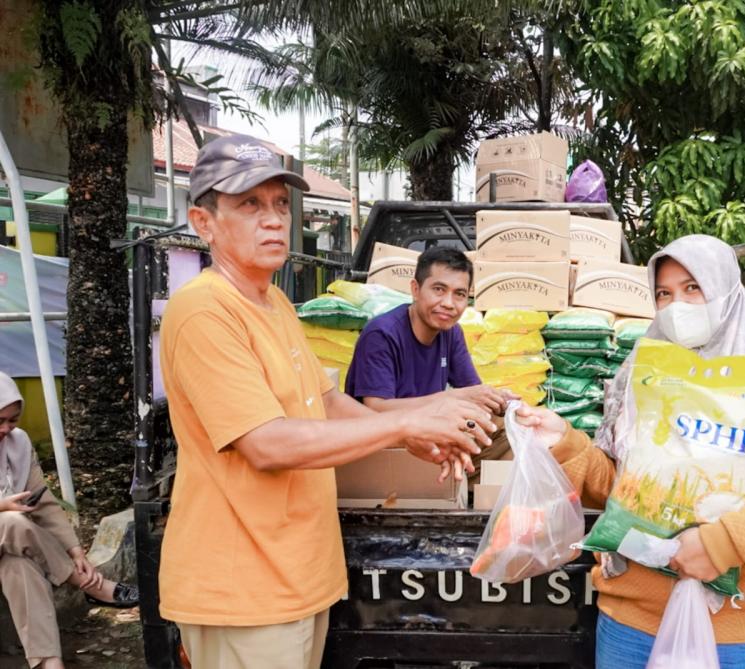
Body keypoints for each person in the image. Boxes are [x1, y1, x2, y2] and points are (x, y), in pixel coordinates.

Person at [158, 134, 493, 669]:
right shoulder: (203, 312)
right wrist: (404, 429)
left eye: (279, 205)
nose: (273, 220)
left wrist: (414, 444)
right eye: (249, 205)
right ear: (204, 222)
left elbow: (330, 405)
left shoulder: (274, 305)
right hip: (244, 589)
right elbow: (264, 443)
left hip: (299, 575)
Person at [516, 234, 745, 669]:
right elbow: (621, 488)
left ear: (726, 290)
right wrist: (566, 442)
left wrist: (720, 544)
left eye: (692, 287)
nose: (676, 305)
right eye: (664, 293)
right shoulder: (642, 374)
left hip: (735, 630)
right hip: (631, 621)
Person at [0, 373, 139, 669]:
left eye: (12, 420)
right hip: (12, 530)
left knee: (19, 566)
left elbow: (44, 501)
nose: (5, 429)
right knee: (13, 521)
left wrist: (76, 552)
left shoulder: (18, 444)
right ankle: (87, 586)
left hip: (11, 547)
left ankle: (49, 664)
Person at [345, 246, 514, 480]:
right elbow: (375, 409)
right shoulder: (382, 335)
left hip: (429, 436)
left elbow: (470, 393)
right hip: (384, 448)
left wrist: (499, 400)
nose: (448, 303)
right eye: (438, 289)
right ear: (415, 289)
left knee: (513, 430)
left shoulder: (451, 332)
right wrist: (452, 399)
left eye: (459, 294)